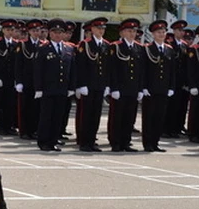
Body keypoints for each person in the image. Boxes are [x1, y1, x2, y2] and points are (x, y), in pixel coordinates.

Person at [33, 18, 76, 152]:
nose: (57, 35)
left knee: (58, 117)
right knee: (46, 116)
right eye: (54, 32)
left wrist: (71, 87)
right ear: (50, 33)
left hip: (62, 89)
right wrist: (38, 88)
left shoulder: (69, 48)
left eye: (60, 32)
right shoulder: (43, 48)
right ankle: (43, 141)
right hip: (48, 89)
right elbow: (38, 70)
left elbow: (72, 70)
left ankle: (53, 140)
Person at [74, 17, 110, 152]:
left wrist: (107, 85)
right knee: (86, 114)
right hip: (88, 86)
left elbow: (107, 67)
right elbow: (80, 66)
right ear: (93, 29)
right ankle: (84, 142)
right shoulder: (85, 44)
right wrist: (81, 85)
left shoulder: (106, 45)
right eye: (98, 28)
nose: (101, 31)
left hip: (100, 85)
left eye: (103, 29)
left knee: (96, 115)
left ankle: (92, 140)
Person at [108, 18, 143, 152]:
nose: (132, 34)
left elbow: (141, 70)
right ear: (122, 32)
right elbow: (112, 69)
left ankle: (126, 142)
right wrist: (113, 88)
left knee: (129, 117)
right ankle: (115, 142)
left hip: (133, 88)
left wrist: (140, 88)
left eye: (134, 31)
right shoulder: (115, 46)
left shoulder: (139, 48)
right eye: (129, 31)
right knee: (117, 117)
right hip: (120, 88)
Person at [140, 20, 175, 152]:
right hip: (150, 89)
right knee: (149, 117)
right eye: (158, 32)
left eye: (163, 32)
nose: (161, 34)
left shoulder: (169, 49)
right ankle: (147, 143)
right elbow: (143, 69)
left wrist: (171, 86)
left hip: (163, 88)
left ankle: (155, 142)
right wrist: (143, 87)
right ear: (153, 34)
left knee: (159, 117)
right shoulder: (147, 49)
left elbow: (172, 71)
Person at [14, 19, 43, 140]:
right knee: (25, 107)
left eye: (38, 30)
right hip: (26, 80)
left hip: (39, 82)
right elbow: (18, 64)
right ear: (29, 31)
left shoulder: (43, 44)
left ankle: (35, 130)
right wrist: (19, 81)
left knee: (37, 108)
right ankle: (24, 131)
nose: (36, 33)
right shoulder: (23, 44)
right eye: (34, 30)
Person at [0, 19, 18, 135]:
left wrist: (17, 79)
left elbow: (17, 63)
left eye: (12, 30)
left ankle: (9, 126)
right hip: (0, 78)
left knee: (10, 103)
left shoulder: (16, 44)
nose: (10, 32)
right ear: (3, 30)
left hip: (11, 78)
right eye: (7, 30)